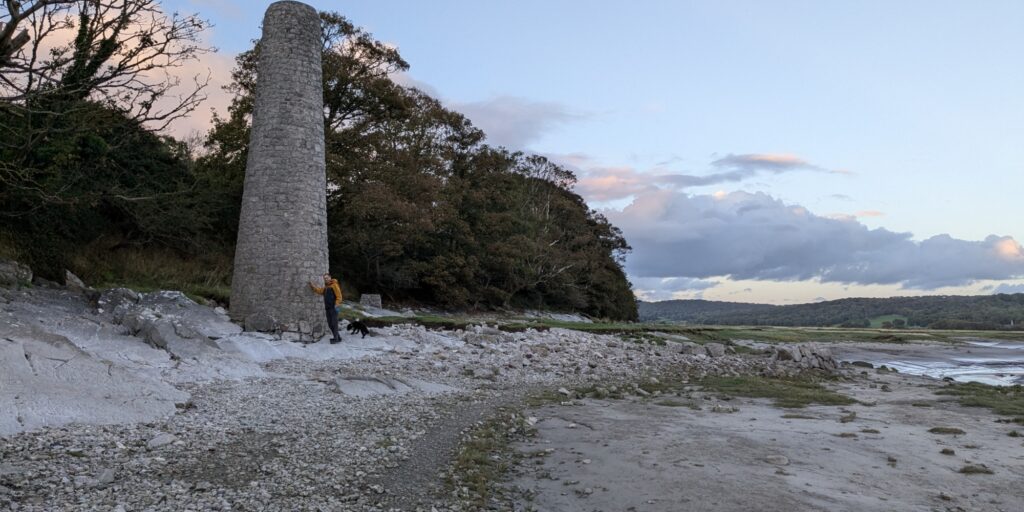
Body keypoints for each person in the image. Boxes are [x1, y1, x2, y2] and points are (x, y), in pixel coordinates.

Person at [309, 273, 343, 344]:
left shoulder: (334, 285)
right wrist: (312, 287)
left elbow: (339, 296)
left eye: (327, 278)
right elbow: (319, 291)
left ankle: (336, 338)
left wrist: (336, 305)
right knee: (330, 324)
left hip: (334, 308)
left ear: (330, 277)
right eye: (324, 278)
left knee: (334, 323)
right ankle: (338, 337)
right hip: (327, 308)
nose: (326, 279)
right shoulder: (326, 287)